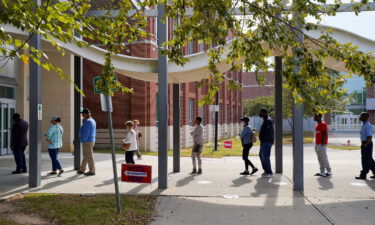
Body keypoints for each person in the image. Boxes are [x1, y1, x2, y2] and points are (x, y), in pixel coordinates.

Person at [77, 108, 96, 176]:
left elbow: (86, 133)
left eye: (82, 114)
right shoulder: (92, 120)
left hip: (87, 141)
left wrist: (83, 140)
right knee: (86, 155)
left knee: (89, 156)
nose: (82, 115)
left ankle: (92, 171)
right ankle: (82, 169)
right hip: (90, 140)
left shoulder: (88, 121)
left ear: (86, 114)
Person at [356, 112, 375, 180]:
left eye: (361, 116)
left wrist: (365, 145)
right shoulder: (364, 125)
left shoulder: (367, 125)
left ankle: (363, 174)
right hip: (365, 143)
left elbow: (369, 137)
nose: (360, 117)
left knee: (365, 160)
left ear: (365, 117)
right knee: (369, 159)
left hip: (367, 144)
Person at [259, 108, 274, 178]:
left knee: (265, 156)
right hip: (263, 142)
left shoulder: (268, 120)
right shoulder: (265, 120)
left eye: (261, 112)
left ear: (264, 112)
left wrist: (266, 140)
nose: (260, 114)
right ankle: (266, 170)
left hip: (266, 142)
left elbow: (270, 132)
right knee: (261, 156)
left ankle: (269, 172)